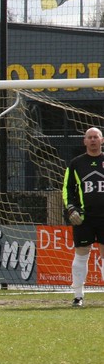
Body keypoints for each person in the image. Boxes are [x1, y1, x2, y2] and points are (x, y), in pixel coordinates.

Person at [64, 127, 104, 308]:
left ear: (102, 140)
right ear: (85, 141)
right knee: (81, 254)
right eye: (90, 137)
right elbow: (67, 188)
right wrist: (71, 208)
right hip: (84, 217)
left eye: (96, 137)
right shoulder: (76, 163)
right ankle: (78, 296)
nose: (93, 140)